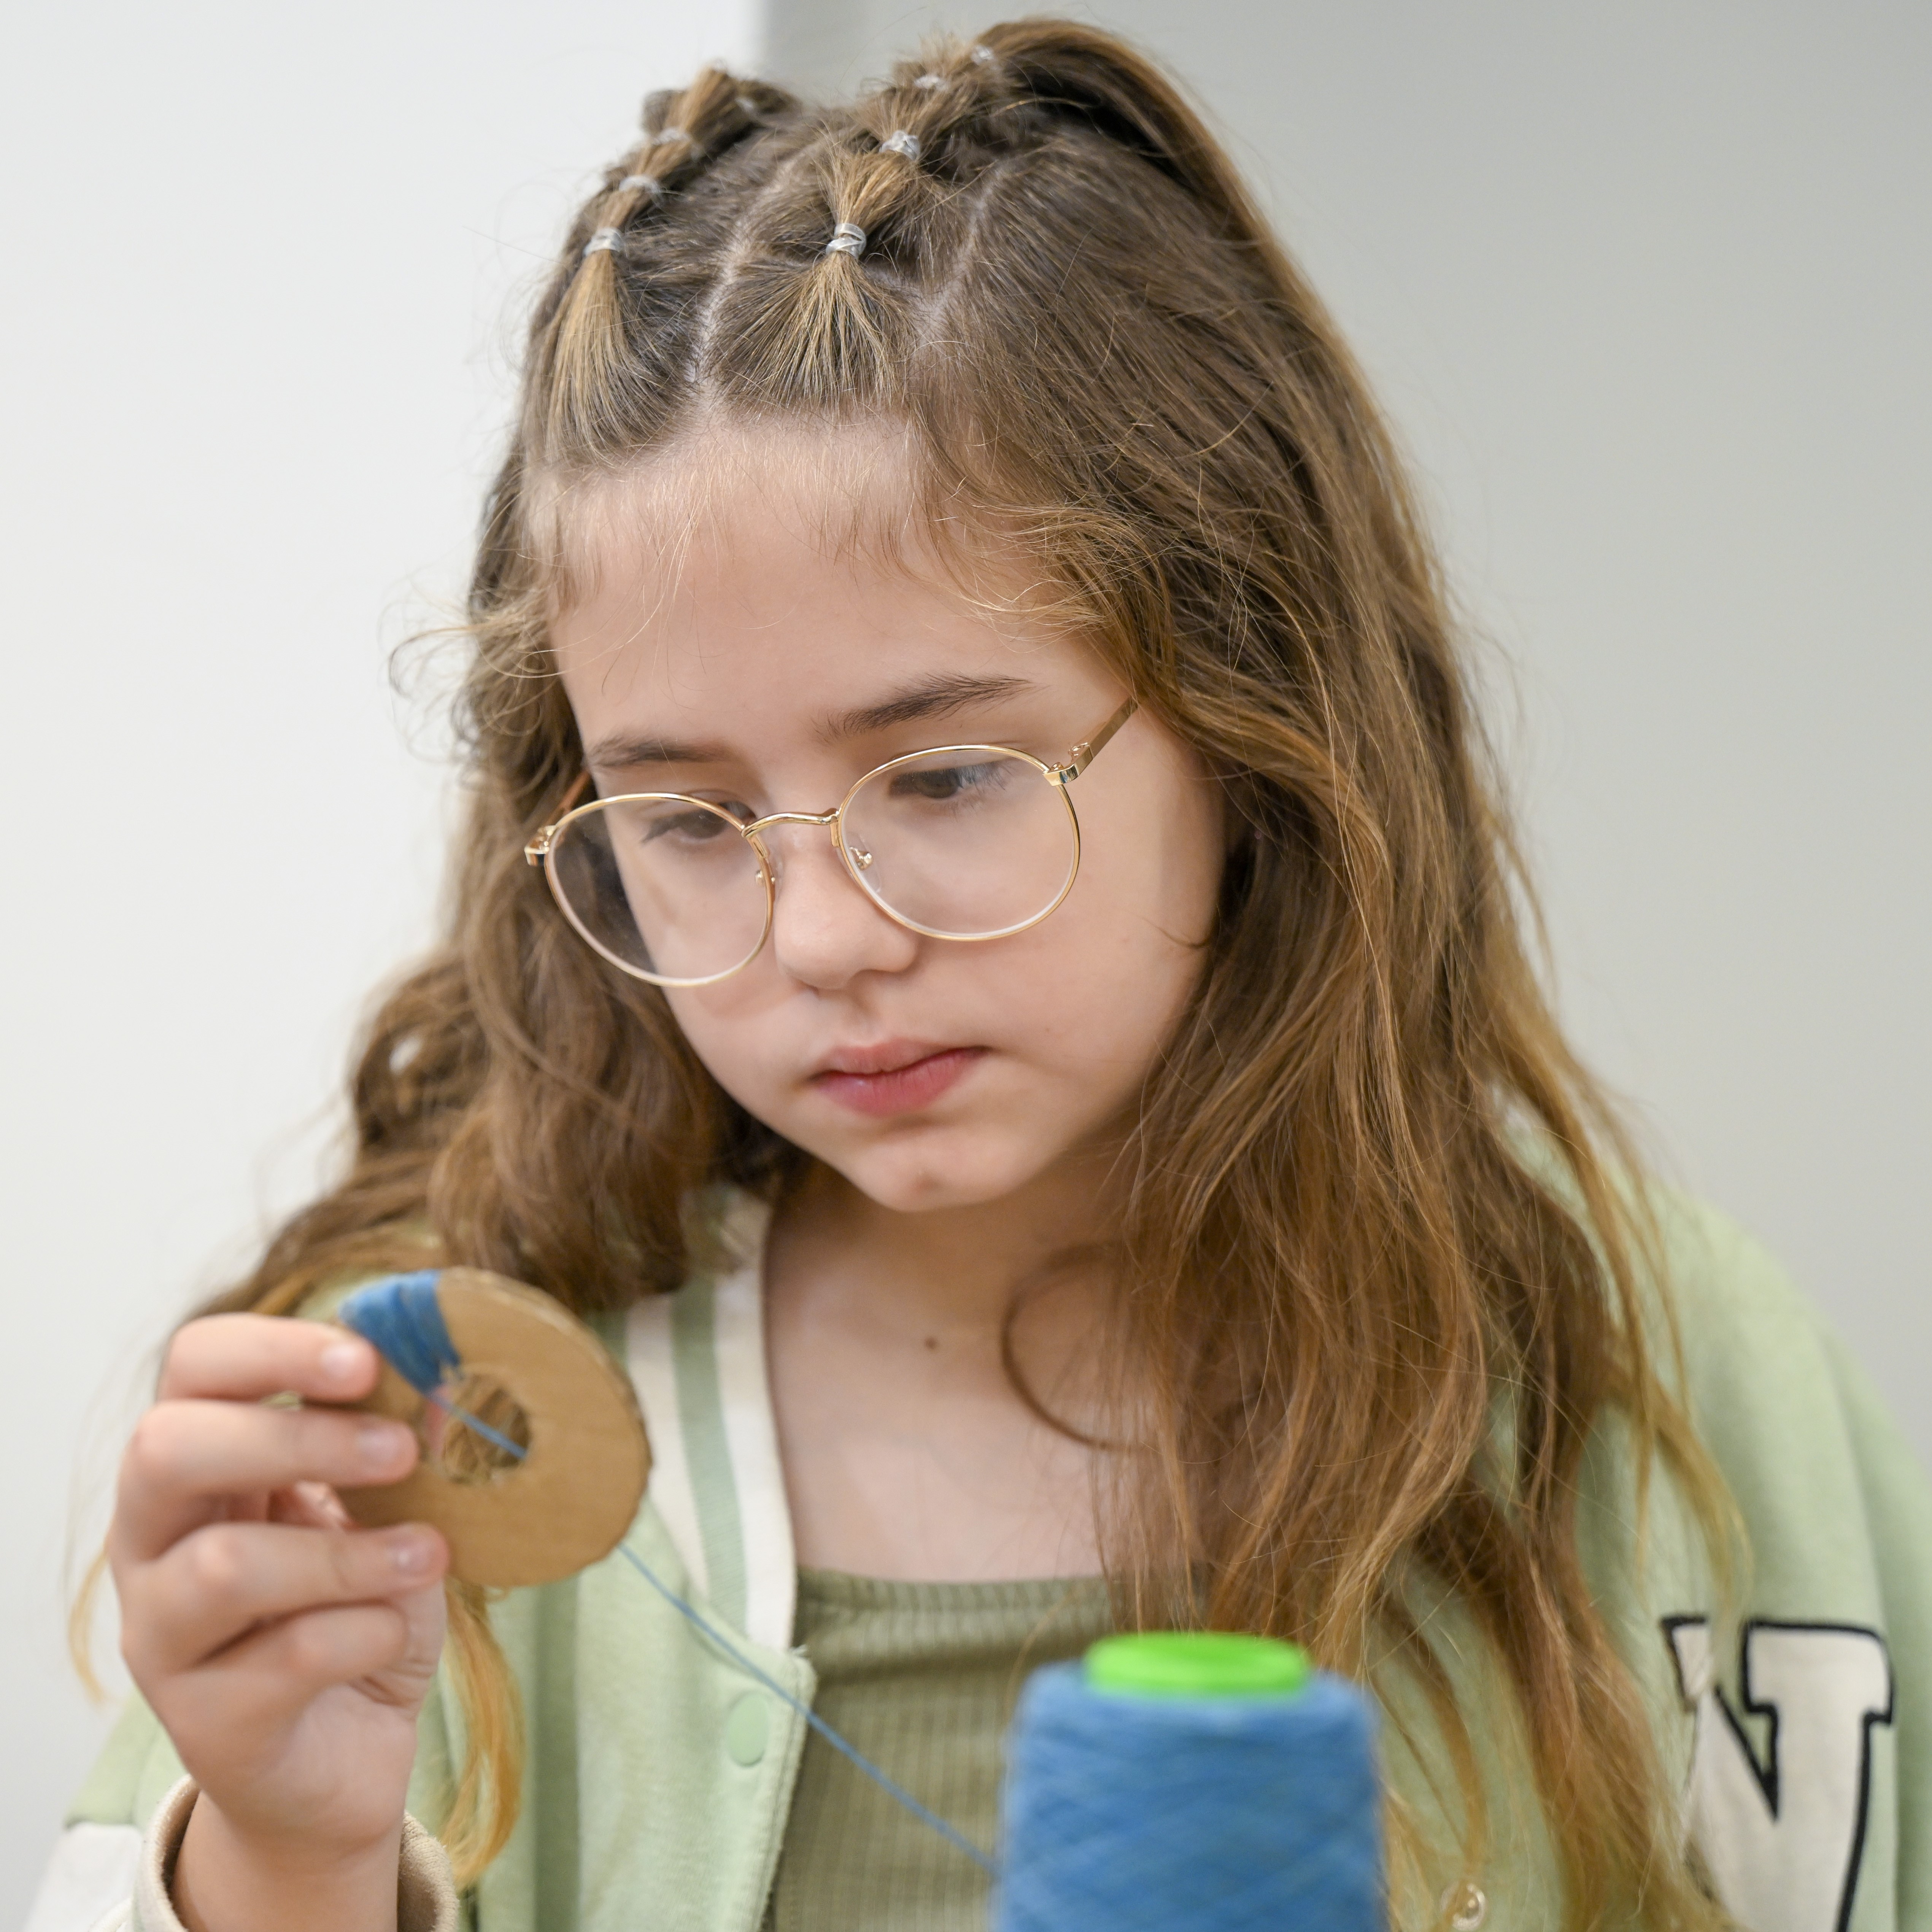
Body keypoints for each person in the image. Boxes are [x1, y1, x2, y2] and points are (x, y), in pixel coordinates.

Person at [28, 21, 1930, 1932]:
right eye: (682, 819)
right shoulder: (427, 1458)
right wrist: (281, 1857)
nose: (827, 938)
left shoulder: (1658, 1385)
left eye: (945, 776)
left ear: (1254, 721)